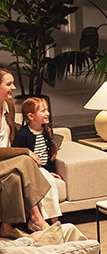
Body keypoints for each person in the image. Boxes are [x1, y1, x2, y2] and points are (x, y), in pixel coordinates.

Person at [0, 68, 52, 238]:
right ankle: (37, 217)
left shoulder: (8, 106)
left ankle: (7, 227)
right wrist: (25, 151)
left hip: (8, 161)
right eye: (9, 84)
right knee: (25, 160)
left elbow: (11, 130)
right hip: (5, 159)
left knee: (14, 177)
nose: (13, 87)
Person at [13, 96, 63, 224]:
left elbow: (47, 157)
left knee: (49, 179)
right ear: (31, 116)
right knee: (49, 183)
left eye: (47, 110)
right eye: (43, 111)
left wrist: (49, 171)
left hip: (43, 169)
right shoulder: (23, 135)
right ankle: (53, 220)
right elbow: (19, 157)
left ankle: (54, 220)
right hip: (30, 170)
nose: (48, 113)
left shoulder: (47, 131)